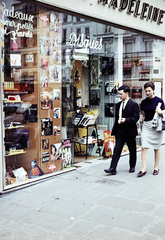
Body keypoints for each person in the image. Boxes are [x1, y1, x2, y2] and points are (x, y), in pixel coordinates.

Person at [104, 85, 140, 175]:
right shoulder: (118, 104)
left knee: (132, 149)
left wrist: (126, 120)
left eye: (121, 94)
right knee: (117, 150)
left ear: (126, 94)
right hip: (120, 131)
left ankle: (132, 166)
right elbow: (117, 119)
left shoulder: (134, 105)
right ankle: (112, 168)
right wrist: (115, 131)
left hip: (130, 131)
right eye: (118, 94)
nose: (119, 96)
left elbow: (136, 118)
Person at [137, 81, 165, 177]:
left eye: (149, 91)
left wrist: (160, 112)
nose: (147, 93)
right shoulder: (143, 102)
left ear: (153, 90)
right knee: (144, 147)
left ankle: (156, 167)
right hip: (146, 126)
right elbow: (144, 115)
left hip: (157, 126)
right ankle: (143, 168)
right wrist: (142, 126)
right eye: (146, 91)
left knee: (157, 148)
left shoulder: (160, 101)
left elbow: (163, 115)